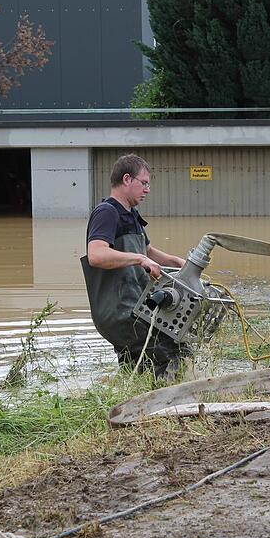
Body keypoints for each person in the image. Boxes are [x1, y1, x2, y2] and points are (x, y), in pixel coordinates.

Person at [83, 154, 189, 380]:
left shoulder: (131, 214)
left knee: (137, 366)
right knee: (172, 349)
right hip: (118, 310)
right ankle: (167, 401)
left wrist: (177, 261)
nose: (147, 189)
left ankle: (130, 396)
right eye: (144, 183)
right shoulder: (106, 212)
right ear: (127, 179)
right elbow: (96, 254)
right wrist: (139, 260)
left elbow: (148, 251)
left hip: (136, 304)